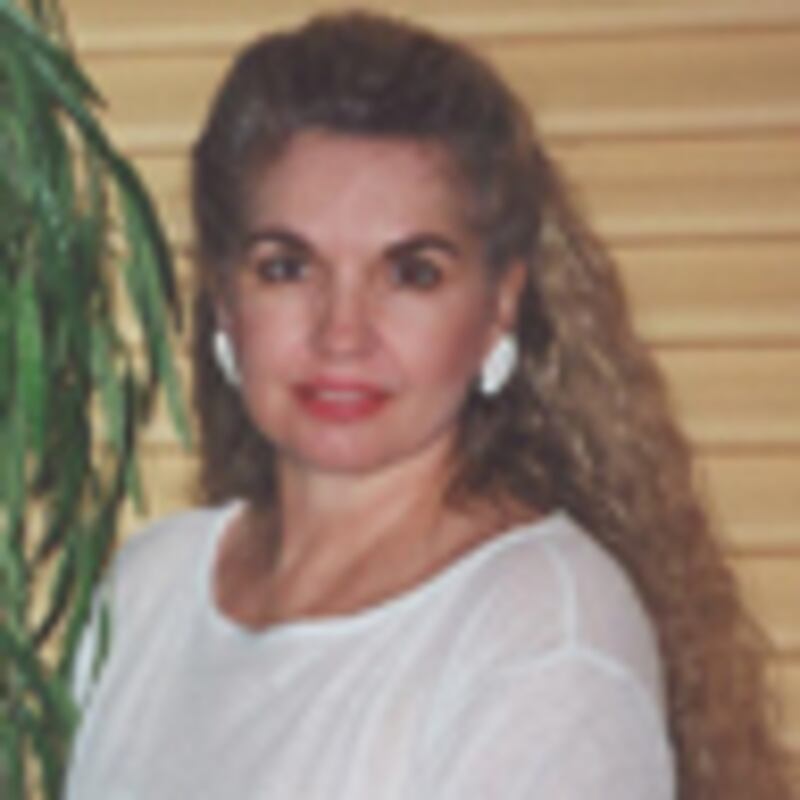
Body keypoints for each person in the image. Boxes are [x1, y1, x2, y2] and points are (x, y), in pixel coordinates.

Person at [65, 11, 794, 799]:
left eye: (411, 274)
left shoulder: (542, 634)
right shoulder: (148, 591)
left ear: (500, 305)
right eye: (287, 267)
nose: (342, 333)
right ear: (223, 296)